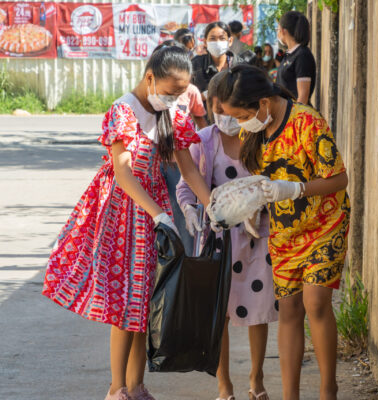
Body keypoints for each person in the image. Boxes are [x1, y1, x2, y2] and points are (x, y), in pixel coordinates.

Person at [42, 46, 211, 400]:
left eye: (182, 92)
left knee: (145, 302)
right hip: (124, 212)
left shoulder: (171, 113)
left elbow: (188, 167)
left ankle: (136, 387)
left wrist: (212, 205)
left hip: (154, 214)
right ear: (150, 77)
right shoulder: (124, 110)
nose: (176, 98)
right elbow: (123, 172)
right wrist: (159, 215)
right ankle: (116, 389)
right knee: (123, 304)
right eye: (171, 90)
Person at [216, 64, 350, 400]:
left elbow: (339, 179)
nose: (238, 125)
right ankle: (290, 395)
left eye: (240, 115)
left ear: (262, 102)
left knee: (316, 302)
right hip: (285, 230)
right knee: (289, 309)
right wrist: (250, 205)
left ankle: (327, 390)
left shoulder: (307, 121)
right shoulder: (253, 131)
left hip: (325, 221)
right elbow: (260, 178)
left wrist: (296, 190)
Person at [177, 71, 277, 400]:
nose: (226, 118)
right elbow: (186, 185)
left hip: (256, 237)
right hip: (219, 240)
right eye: (218, 110)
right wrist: (191, 210)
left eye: (230, 110)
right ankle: (224, 385)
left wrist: (261, 207)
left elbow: (272, 182)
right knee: (218, 313)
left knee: (258, 308)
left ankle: (256, 378)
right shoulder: (204, 141)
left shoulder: (258, 134)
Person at [152, 41, 208, 254]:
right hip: (151, 171)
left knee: (182, 212)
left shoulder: (189, 94)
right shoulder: (132, 107)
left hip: (178, 167)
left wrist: (215, 209)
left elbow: (201, 125)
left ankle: (184, 261)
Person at [191, 21, 242, 97]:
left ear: (230, 41)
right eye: (212, 38)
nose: (217, 42)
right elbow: (187, 95)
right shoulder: (195, 64)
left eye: (222, 38)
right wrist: (204, 96)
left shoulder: (240, 65)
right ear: (205, 42)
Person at [276, 11, 316, 105]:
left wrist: (295, 118)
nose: (277, 33)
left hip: (295, 115)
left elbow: (303, 96)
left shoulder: (302, 55)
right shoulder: (289, 54)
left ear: (283, 31)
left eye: (277, 29)